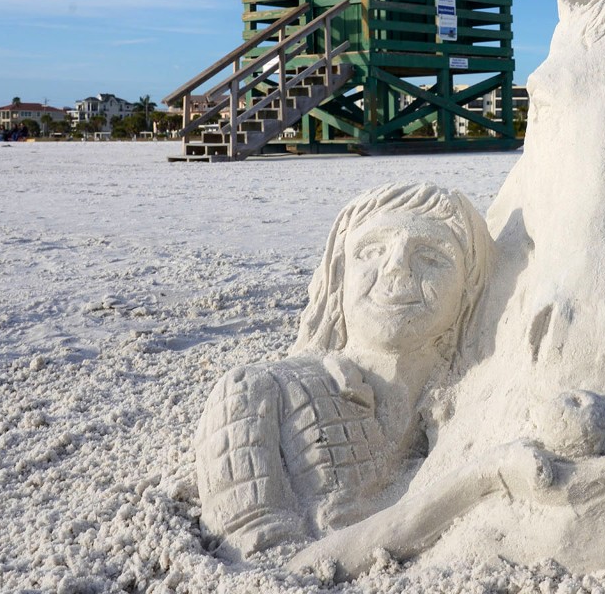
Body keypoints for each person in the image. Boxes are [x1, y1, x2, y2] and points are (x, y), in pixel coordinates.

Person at [192, 182, 494, 559]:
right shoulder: (256, 392)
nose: (396, 266)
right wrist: (483, 479)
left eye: (431, 256)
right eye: (371, 251)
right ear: (338, 278)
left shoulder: (473, 407)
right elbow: (267, 560)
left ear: (468, 290)